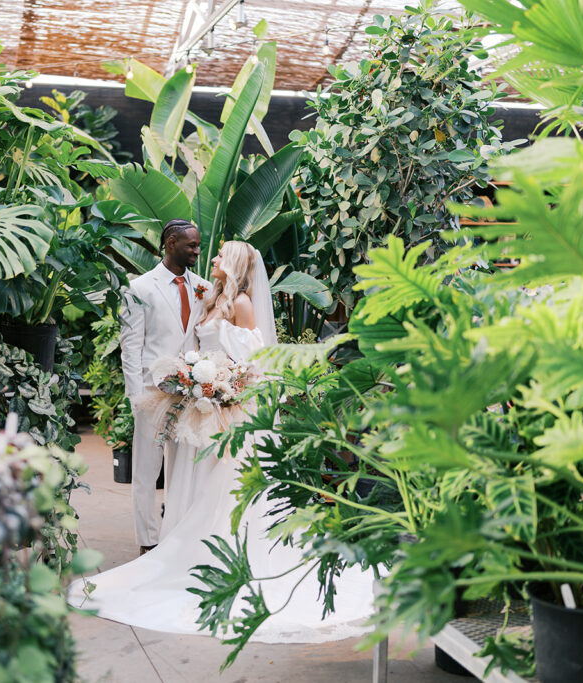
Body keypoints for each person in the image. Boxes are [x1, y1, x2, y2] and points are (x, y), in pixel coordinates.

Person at [70, 241, 376, 644]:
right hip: (204, 404)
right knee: (195, 480)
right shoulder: (209, 296)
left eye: (218, 255)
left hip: (231, 408)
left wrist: (221, 386)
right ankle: (181, 547)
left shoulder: (244, 305)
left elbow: (255, 365)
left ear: (231, 264)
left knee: (226, 488)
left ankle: (221, 553)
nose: (211, 257)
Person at [118, 219, 211, 554]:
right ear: (171, 243)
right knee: (146, 470)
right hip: (151, 393)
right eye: (191, 246)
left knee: (181, 468)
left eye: (198, 245)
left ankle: (174, 537)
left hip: (191, 394)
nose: (197, 251)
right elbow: (130, 346)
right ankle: (147, 542)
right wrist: (135, 395)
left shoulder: (203, 287)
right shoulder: (140, 288)